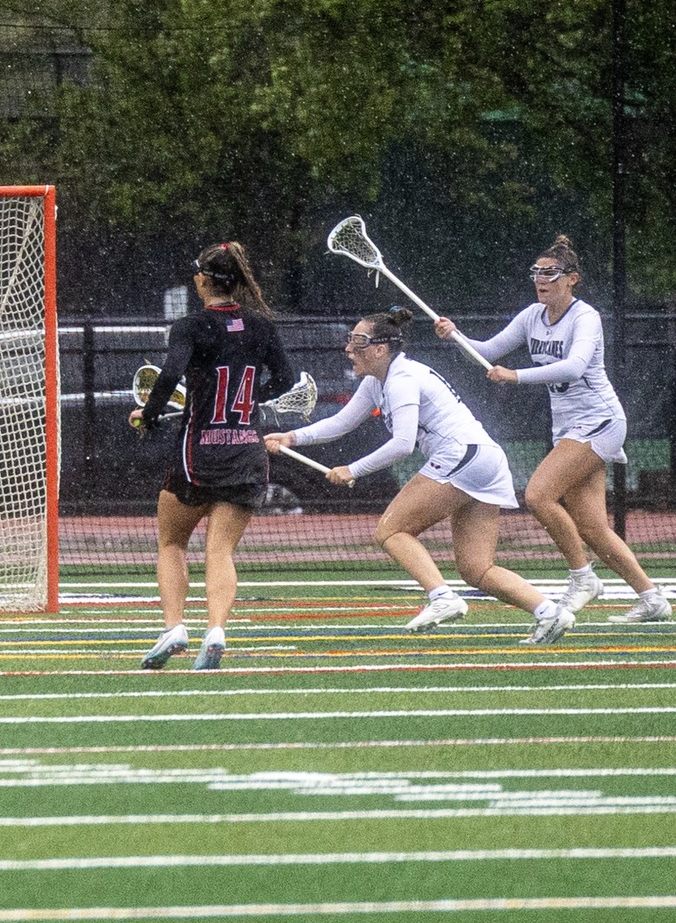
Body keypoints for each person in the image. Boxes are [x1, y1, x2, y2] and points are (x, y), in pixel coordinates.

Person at [265, 306, 575, 644]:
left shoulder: (401, 380)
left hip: (462, 455)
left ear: (381, 349)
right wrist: (292, 437)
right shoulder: (377, 380)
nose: (348, 349)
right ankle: (550, 612)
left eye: (357, 341)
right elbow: (341, 422)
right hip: (483, 458)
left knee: (391, 530)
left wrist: (353, 470)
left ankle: (442, 598)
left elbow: (402, 444)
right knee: (476, 568)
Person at [434, 236, 671, 623]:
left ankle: (582, 577)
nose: (541, 280)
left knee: (539, 494)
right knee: (593, 527)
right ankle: (651, 597)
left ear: (571, 278)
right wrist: (455, 335)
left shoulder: (585, 317)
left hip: (600, 421)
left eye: (550, 274)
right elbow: (487, 351)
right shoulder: (531, 316)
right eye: (537, 273)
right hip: (569, 428)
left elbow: (575, 366)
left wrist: (516, 376)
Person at [131, 242, 296, 671]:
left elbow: (169, 374)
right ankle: (217, 630)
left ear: (204, 279)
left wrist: (149, 415)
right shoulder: (260, 326)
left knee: (171, 542)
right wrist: (249, 399)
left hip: (198, 452)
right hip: (245, 449)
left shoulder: (191, 326)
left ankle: (173, 628)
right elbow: (286, 379)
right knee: (219, 551)